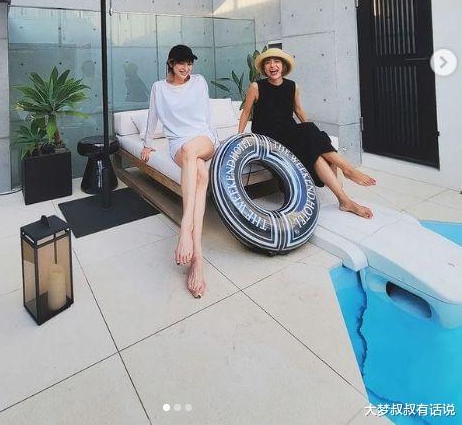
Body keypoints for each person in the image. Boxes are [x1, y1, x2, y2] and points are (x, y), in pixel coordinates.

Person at [238, 48, 375, 219]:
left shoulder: (293, 86)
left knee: (314, 146)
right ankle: (347, 168)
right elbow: (246, 112)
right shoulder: (256, 86)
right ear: (264, 68)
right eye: (268, 62)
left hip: (288, 131)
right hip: (268, 134)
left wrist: (312, 133)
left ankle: (344, 201)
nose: (272, 65)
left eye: (276, 61)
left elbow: (298, 110)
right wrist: (239, 136)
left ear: (283, 66)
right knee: (311, 136)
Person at [140, 44, 217, 298]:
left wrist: (214, 139)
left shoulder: (199, 82)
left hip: (203, 138)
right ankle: (197, 258)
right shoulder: (158, 88)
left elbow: (207, 116)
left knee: (192, 150)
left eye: (190, 63)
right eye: (182, 63)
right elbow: (153, 117)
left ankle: (185, 229)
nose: (187, 68)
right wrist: (147, 144)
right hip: (178, 143)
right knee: (201, 174)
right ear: (171, 63)